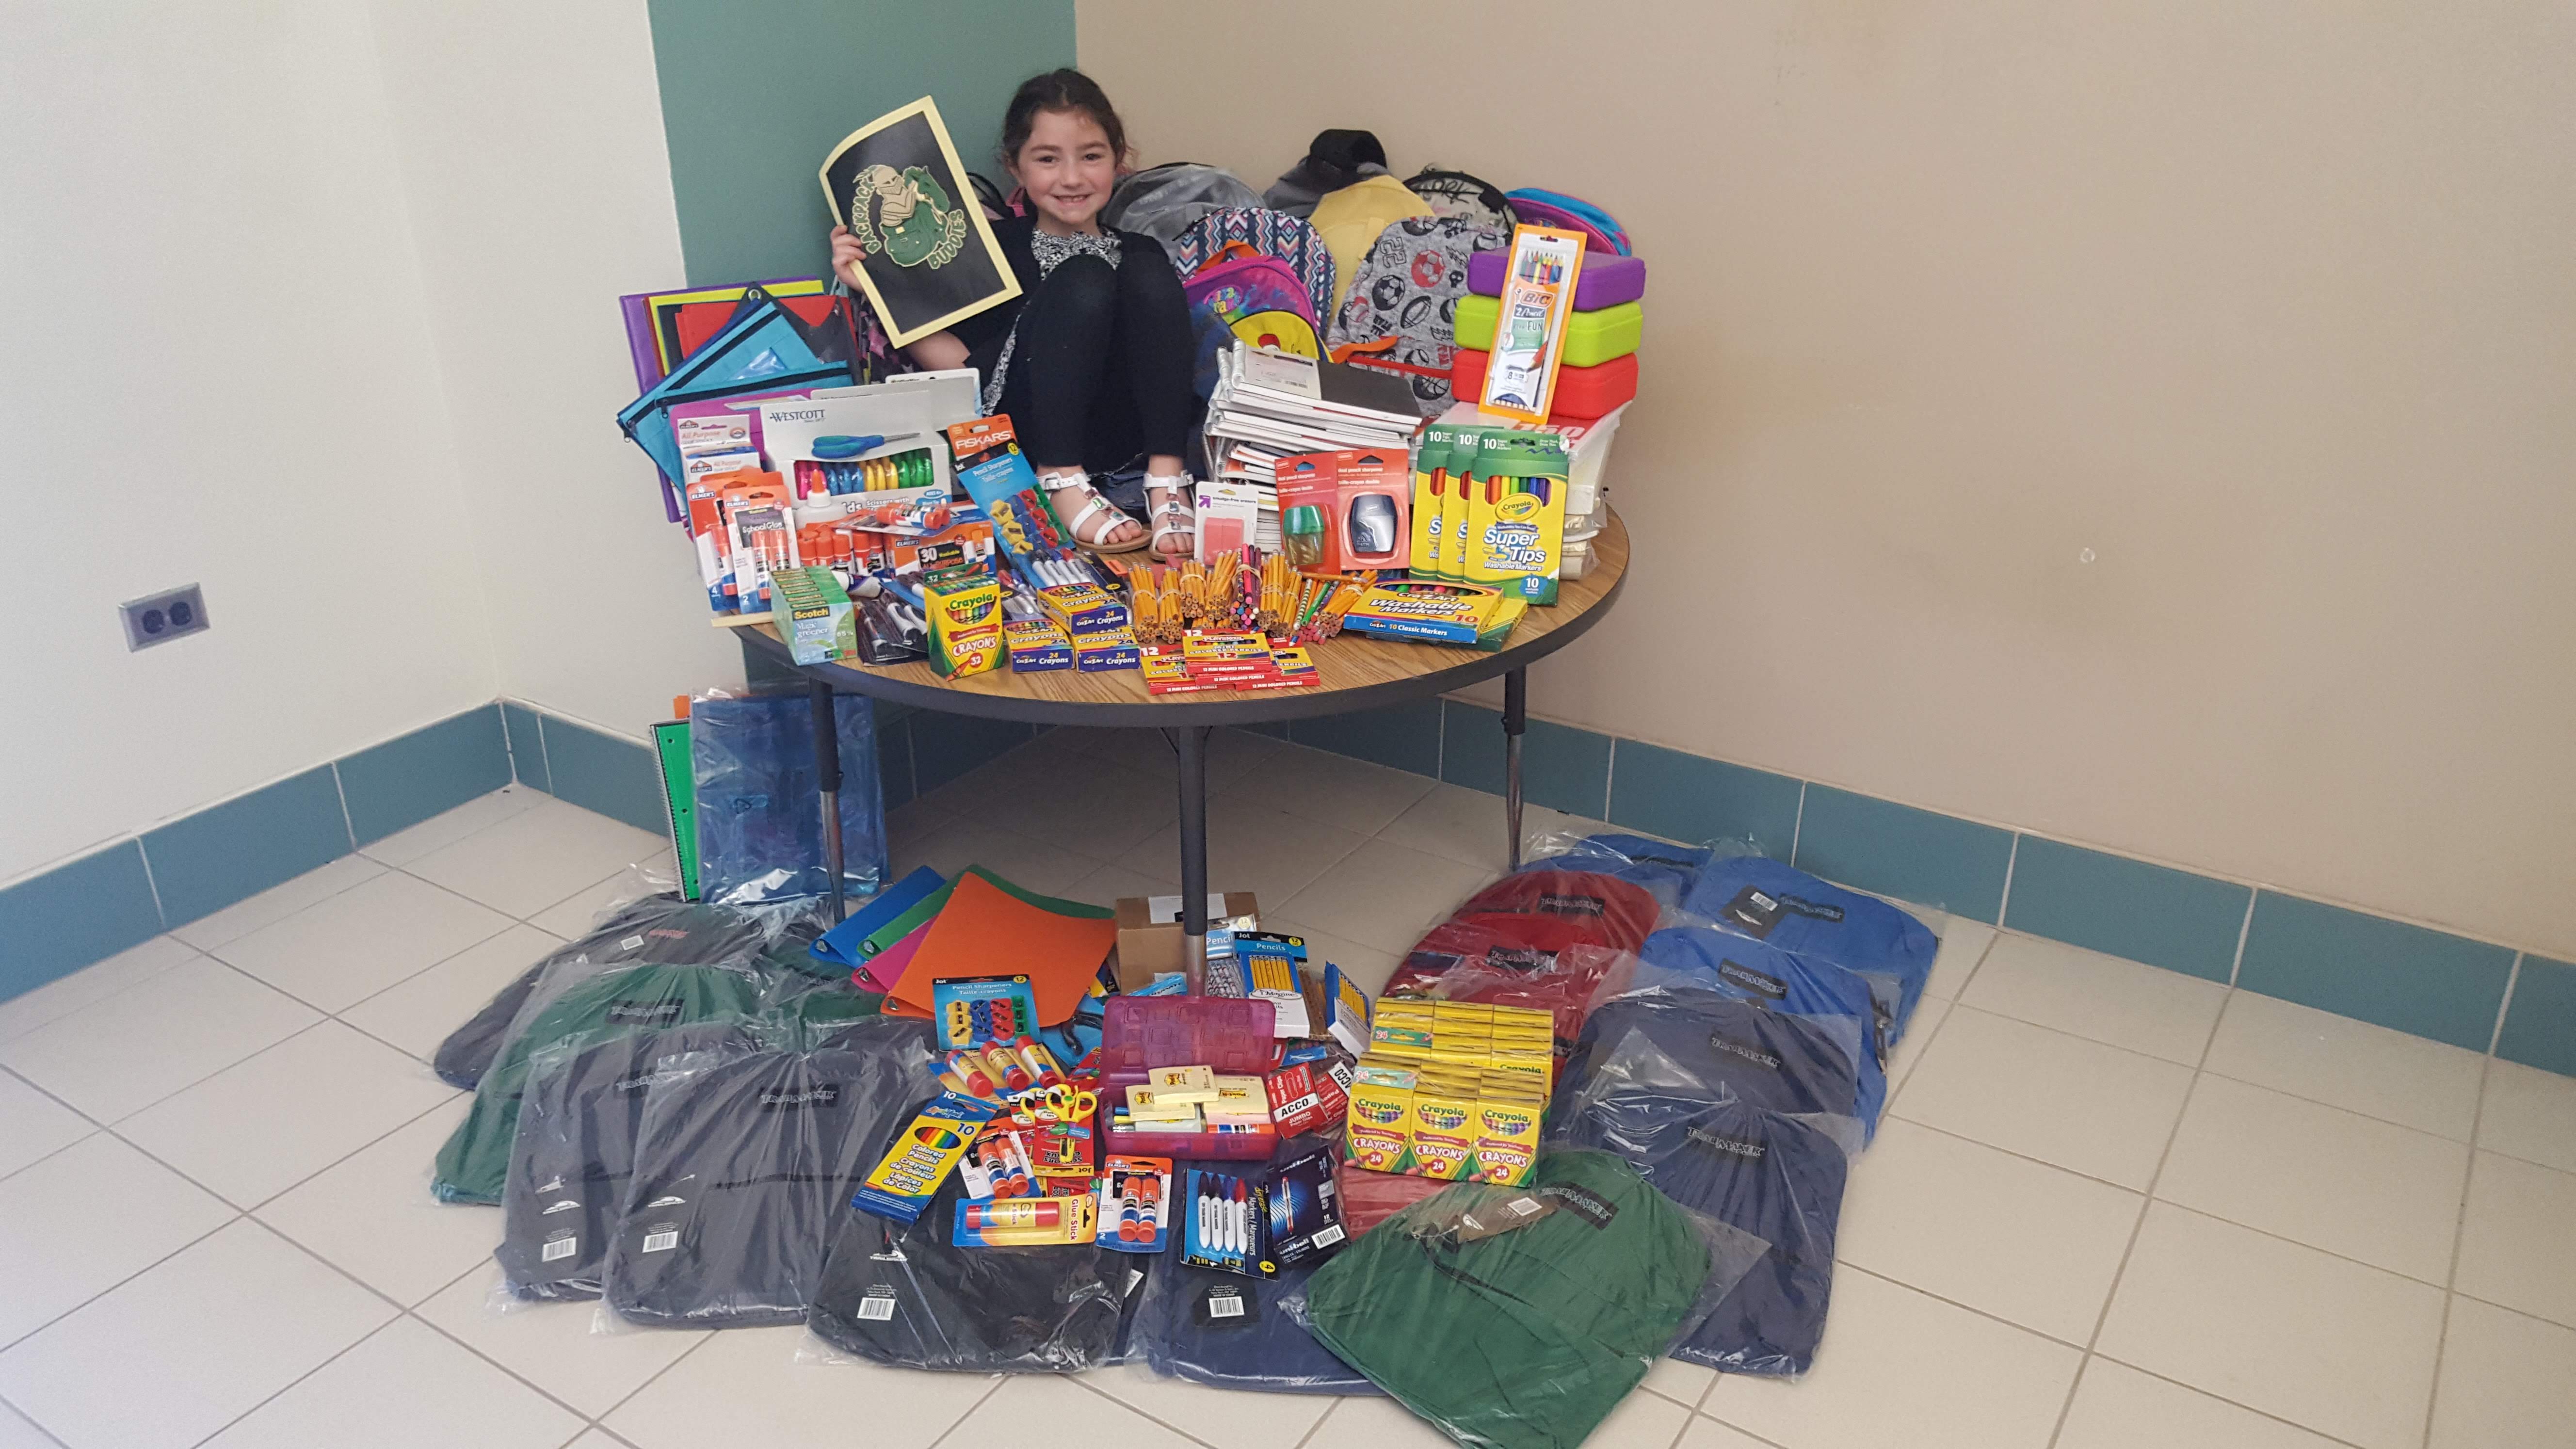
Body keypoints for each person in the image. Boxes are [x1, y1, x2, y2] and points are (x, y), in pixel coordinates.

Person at [833, 69, 1195, 558]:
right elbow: (961, 371)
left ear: (1118, 160)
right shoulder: (989, 251)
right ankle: (1060, 479)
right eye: (1047, 159)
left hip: (1125, 437)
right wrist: (880, 289)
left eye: (1091, 156)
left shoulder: (1138, 253)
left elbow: (1163, 358)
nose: (1071, 177)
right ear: (1015, 167)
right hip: (1026, 428)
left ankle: (1167, 479)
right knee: (1085, 275)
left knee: (1146, 267)